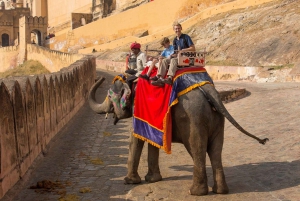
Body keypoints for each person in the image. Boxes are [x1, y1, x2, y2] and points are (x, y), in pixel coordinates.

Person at [152, 22, 195, 87]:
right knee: (165, 60)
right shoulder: (175, 40)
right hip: (178, 57)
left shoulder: (186, 37)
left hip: (186, 56)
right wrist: (171, 55)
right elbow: (175, 52)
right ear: (174, 30)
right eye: (176, 29)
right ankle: (160, 78)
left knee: (174, 60)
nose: (177, 30)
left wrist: (183, 50)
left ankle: (170, 78)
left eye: (178, 28)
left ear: (181, 28)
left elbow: (193, 48)